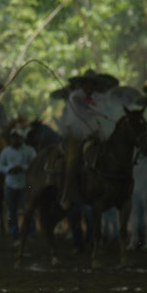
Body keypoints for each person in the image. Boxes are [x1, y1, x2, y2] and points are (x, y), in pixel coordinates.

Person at [58, 70, 115, 209]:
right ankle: (66, 194)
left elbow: (101, 111)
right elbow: (83, 110)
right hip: (76, 135)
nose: (89, 86)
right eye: (87, 83)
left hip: (95, 134)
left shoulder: (100, 97)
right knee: (72, 159)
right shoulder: (75, 96)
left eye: (92, 83)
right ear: (82, 84)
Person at [0, 127, 37, 245]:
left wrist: (23, 168)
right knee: (11, 211)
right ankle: (14, 235)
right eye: (13, 137)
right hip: (10, 184)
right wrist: (9, 169)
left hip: (25, 184)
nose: (15, 140)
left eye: (17, 137)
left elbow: (35, 164)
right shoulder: (6, 151)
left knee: (28, 210)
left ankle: (31, 233)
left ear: (22, 138)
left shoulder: (29, 151)